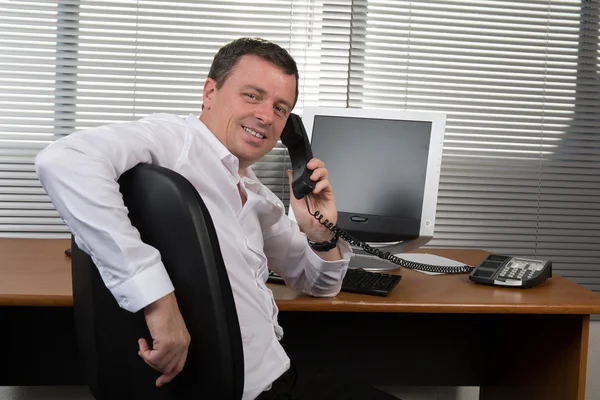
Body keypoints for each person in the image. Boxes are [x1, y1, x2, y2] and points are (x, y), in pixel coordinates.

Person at [35, 37, 399, 400]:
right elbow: (65, 160)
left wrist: (321, 233)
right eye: (252, 96)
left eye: (281, 108)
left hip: (280, 375)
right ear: (210, 92)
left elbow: (320, 285)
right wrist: (158, 299)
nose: (266, 116)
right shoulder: (174, 142)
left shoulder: (258, 197)